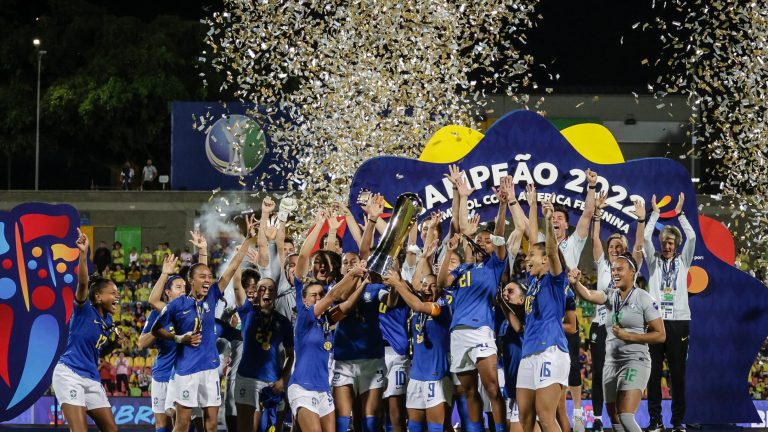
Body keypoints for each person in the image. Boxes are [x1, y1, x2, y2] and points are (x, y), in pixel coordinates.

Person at [153, 215, 257, 432]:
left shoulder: (211, 296)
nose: (208, 279)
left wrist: (248, 240)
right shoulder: (177, 305)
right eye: (203, 276)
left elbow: (231, 268)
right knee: (182, 423)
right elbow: (157, 329)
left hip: (210, 369)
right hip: (186, 370)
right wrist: (178, 338)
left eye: (210, 276)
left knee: (211, 425)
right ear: (191, 280)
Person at [437, 171, 509, 432]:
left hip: (481, 330)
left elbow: (500, 236)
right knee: (467, 391)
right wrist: (448, 252)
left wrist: (502, 204)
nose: (483, 241)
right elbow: (442, 282)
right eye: (480, 239)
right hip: (458, 333)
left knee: (491, 388)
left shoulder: (494, 265)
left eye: (487, 241)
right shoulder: (463, 269)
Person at [568, 254, 666, 432]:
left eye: (620, 269)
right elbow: (589, 295)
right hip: (611, 364)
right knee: (615, 420)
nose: (615, 273)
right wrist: (576, 283)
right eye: (613, 270)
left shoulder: (644, 298)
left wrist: (630, 336)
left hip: (635, 361)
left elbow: (660, 335)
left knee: (626, 416)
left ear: (632, 273)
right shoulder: (610, 296)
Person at [52, 229, 123, 432]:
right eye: (112, 293)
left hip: (91, 377)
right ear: (98, 297)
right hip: (69, 374)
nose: (117, 297)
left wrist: (114, 344)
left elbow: (98, 352)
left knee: (112, 429)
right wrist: (83, 254)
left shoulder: (108, 320)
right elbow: (83, 282)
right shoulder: (83, 309)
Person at [590, 194, 646, 431]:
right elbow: (594, 238)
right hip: (600, 325)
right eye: (611, 246)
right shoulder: (603, 265)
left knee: (619, 376)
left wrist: (641, 222)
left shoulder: (630, 266)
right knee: (600, 375)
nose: (614, 249)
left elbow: (639, 247)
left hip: (623, 329)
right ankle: (597, 418)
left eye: (618, 247)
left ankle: (621, 419)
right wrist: (597, 214)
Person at [287, 267, 365, 432]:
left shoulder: (327, 321)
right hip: (302, 388)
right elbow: (332, 296)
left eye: (320, 295)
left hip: (323, 389)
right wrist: (351, 274)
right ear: (305, 300)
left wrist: (363, 281)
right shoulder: (304, 318)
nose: (318, 298)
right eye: (313, 296)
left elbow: (348, 305)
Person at [516, 195, 570, 432]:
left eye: (531, 257)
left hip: (551, 350)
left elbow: (551, 249)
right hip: (528, 353)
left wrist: (548, 221)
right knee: (526, 420)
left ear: (545, 261)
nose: (527, 259)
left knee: (546, 418)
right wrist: (531, 207)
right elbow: (531, 235)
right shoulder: (533, 281)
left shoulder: (556, 280)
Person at [643, 193, 695, 432]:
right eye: (664, 242)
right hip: (655, 322)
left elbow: (692, 236)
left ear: (676, 245)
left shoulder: (684, 260)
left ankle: (678, 422)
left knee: (677, 374)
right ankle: (655, 420)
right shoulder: (653, 261)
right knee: (652, 374)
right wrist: (654, 213)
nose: (666, 246)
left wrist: (680, 214)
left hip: (679, 321)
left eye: (671, 243)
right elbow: (645, 236)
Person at [385, 269, 453, 432]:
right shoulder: (415, 312)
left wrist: (396, 283)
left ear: (441, 288)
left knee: (438, 428)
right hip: (416, 376)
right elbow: (409, 299)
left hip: (437, 375)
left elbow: (418, 304)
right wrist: (398, 280)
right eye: (424, 285)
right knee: (414, 427)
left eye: (433, 285)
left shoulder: (442, 308)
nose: (428, 288)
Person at [232, 271, 295, 432]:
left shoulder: (284, 322)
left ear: (276, 294)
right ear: (255, 293)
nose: (266, 292)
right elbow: (236, 284)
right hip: (247, 378)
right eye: (262, 288)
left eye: (271, 289)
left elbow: (290, 355)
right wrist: (241, 255)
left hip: (273, 382)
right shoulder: (247, 312)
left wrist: (282, 380)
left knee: (271, 428)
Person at [140, 254, 187, 432]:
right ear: (167, 292)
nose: (183, 290)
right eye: (178, 287)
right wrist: (158, 327)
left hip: (183, 375)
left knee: (181, 421)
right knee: (161, 425)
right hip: (162, 374)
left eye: (185, 286)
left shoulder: (188, 311)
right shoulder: (158, 314)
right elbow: (141, 344)